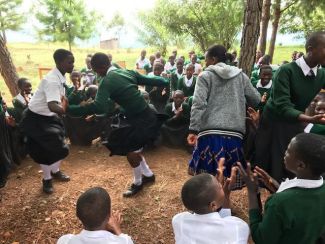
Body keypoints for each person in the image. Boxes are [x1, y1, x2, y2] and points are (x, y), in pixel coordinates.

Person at [67, 53, 169, 197]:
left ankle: (138, 183)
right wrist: (164, 80)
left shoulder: (107, 81)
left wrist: (70, 109)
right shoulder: (127, 72)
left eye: (96, 70)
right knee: (134, 149)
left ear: (102, 67)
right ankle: (148, 175)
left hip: (141, 121)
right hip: (144, 117)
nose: (97, 74)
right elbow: (150, 79)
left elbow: (98, 106)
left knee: (131, 153)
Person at [253, 31, 325, 182]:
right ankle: (265, 196)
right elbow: (283, 106)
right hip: (275, 122)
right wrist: (309, 118)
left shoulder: (321, 74)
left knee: (291, 164)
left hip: (296, 119)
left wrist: (307, 118)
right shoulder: (286, 71)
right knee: (271, 164)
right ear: (310, 49)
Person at [187, 44, 260, 188]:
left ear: (213, 59)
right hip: (234, 134)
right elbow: (256, 99)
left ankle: (209, 205)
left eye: (206, 59)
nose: (205, 63)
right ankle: (223, 206)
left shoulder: (205, 75)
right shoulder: (240, 76)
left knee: (207, 177)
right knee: (227, 176)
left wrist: (193, 129)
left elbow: (198, 104)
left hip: (209, 133)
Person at [238, 133, 325, 244]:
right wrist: (279, 188)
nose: (285, 153)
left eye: (288, 151)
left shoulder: (279, 203)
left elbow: (262, 239)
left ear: (301, 165)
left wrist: (252, 193)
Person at [20, 49, 73, 194]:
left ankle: (55, 171)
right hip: (37, 118)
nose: (72, 65)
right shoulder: (52, 81)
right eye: (69, 62)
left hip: (49, 116)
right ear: (59, 62)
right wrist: (66, 109)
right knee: (43, 149)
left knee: (59, 145)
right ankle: (47, 178)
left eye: (72, 62)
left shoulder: (61, 76)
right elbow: (53, 105)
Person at [172, 168, 249, 244]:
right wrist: (226, 195)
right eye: (220, 187)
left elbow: (223, 221)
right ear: (213, 205)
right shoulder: (238, 227)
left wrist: (225, 194)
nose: (221, 184)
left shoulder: (179, 221)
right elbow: (226, 223)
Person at [58, 187, 134, 244]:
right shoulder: (124, 242)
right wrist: (117, 229)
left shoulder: (65, 241)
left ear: (78, 216)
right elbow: (126, 240)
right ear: (108, 217)